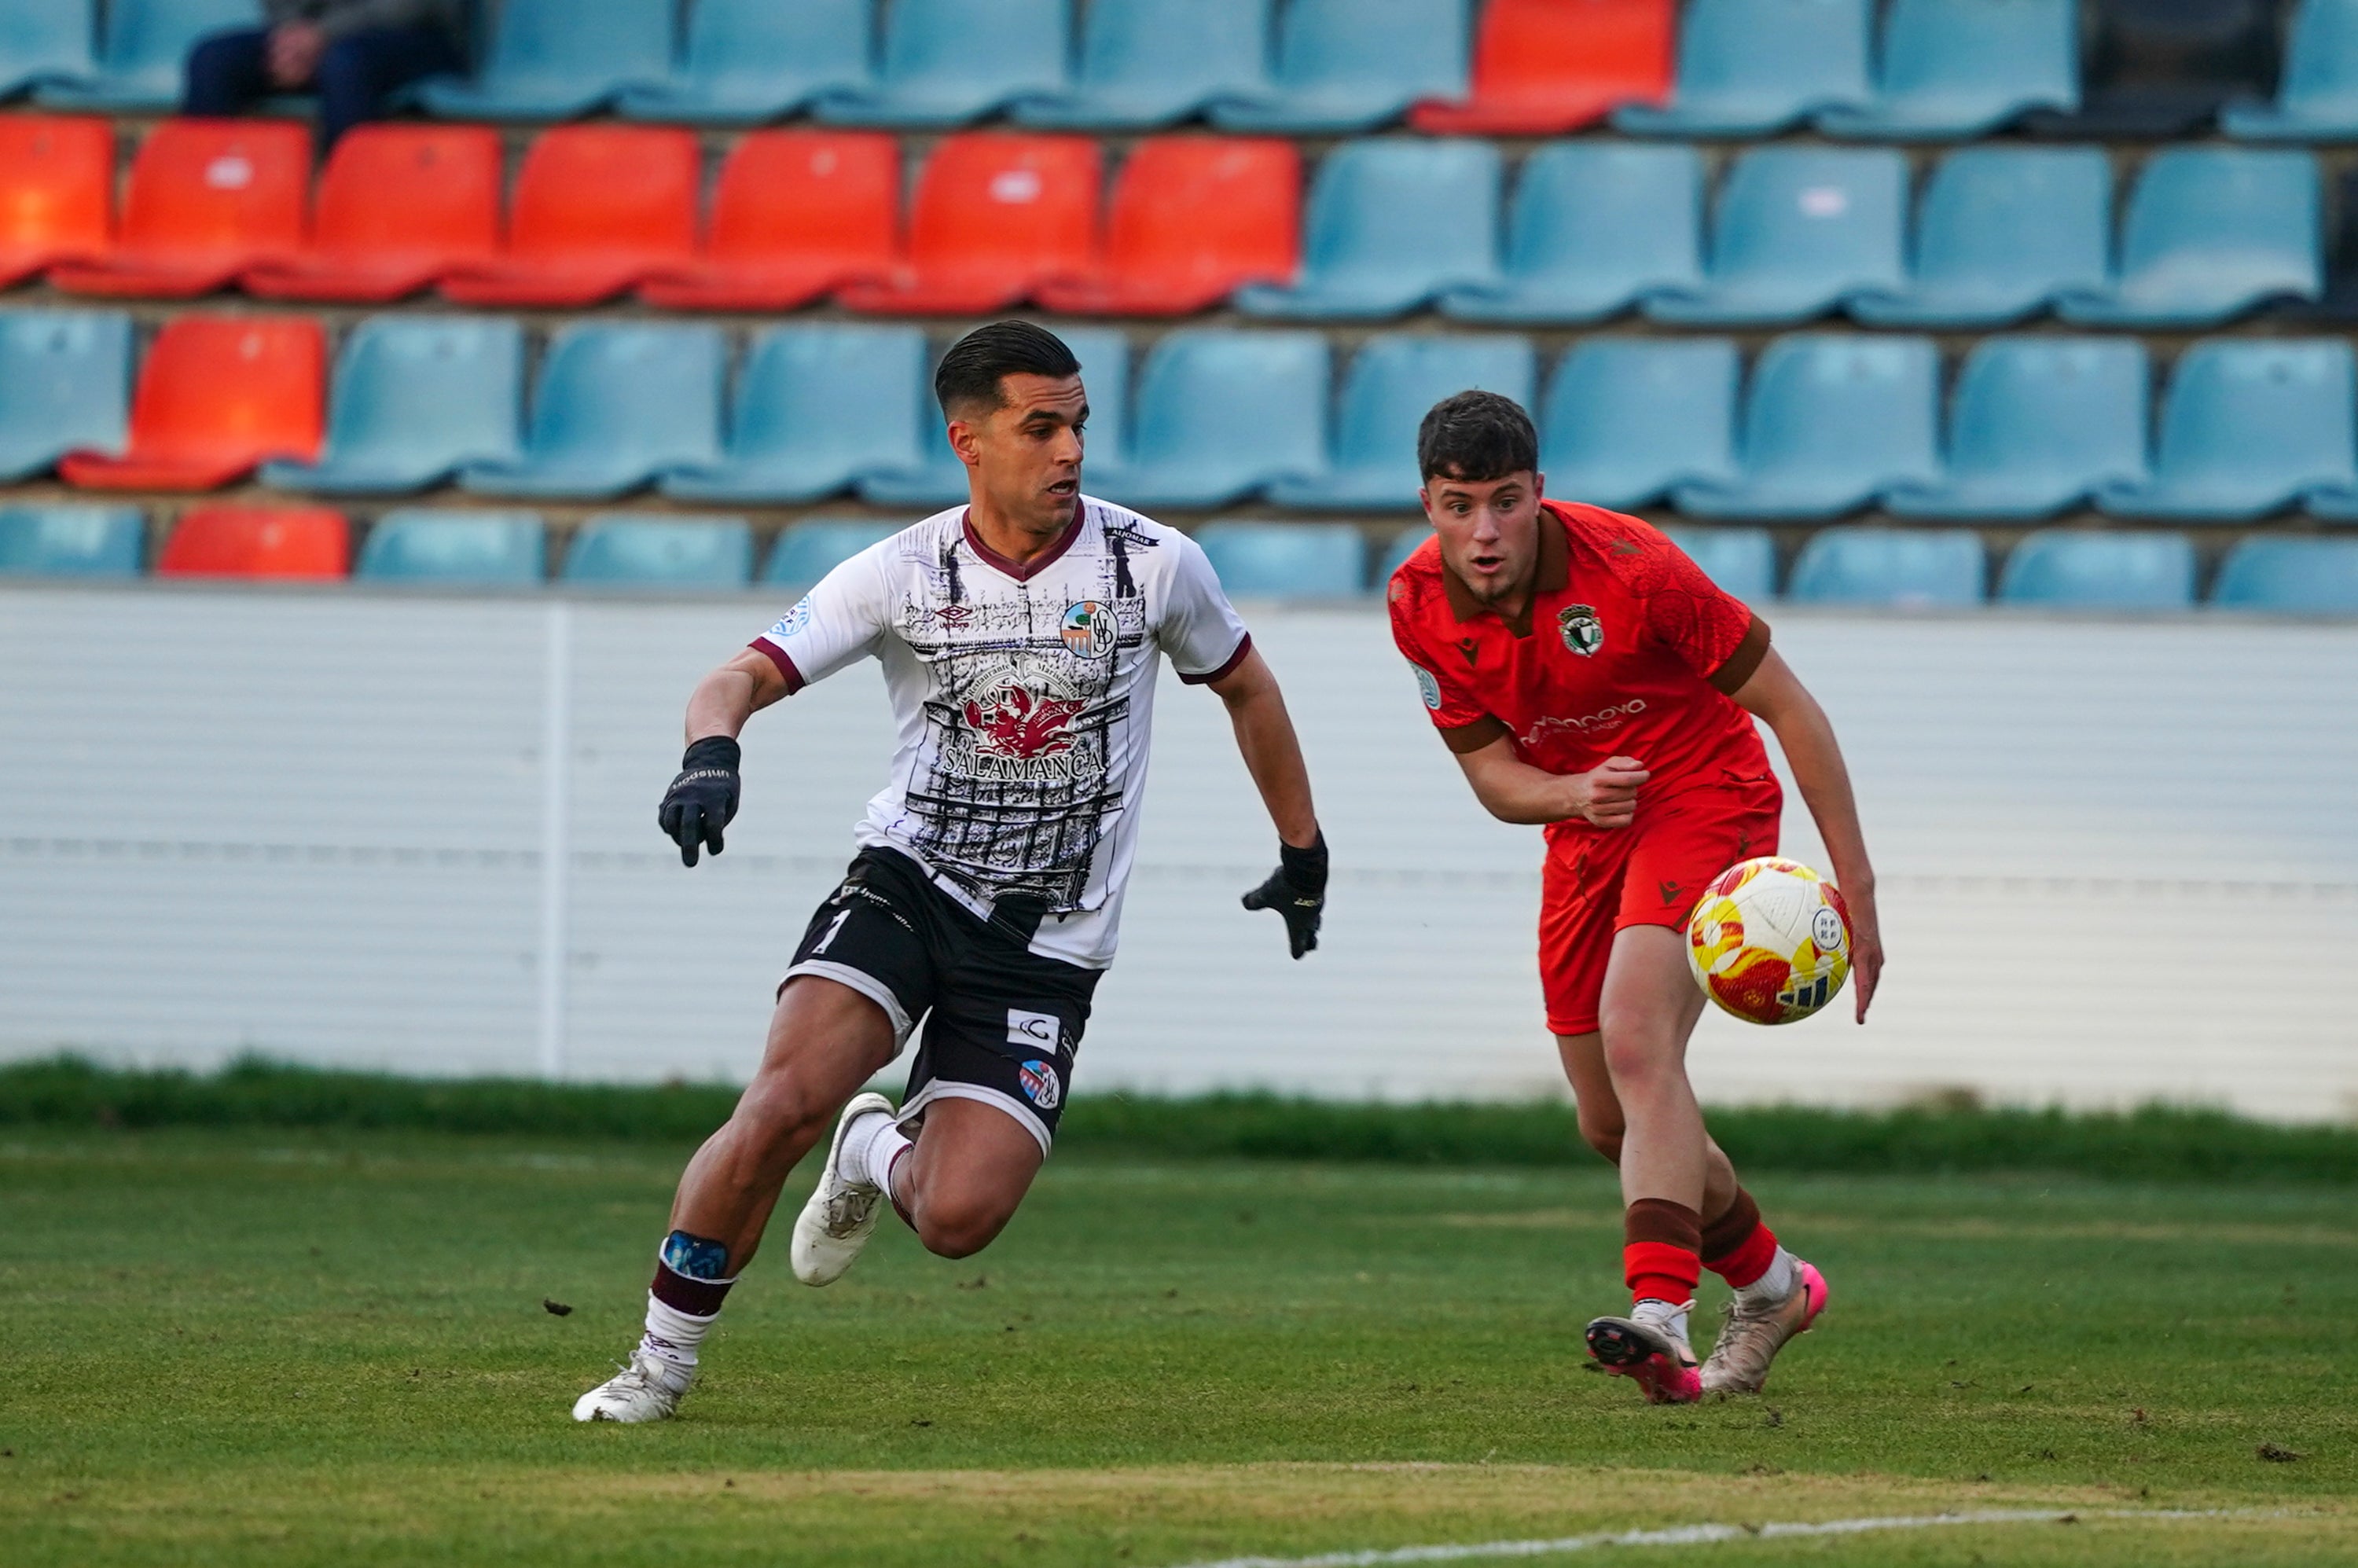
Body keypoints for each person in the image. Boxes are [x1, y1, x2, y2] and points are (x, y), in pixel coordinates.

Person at [574, 321, 1329, 1423]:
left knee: (958, 1216)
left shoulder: (1155, 564)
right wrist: (710, 753)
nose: (1070, 448)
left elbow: (1249, 689)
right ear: (968, 441)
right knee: (781, 1099)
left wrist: (1302, 848)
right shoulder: (903, 570)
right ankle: (660, 1362)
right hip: (909, 882)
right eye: (1041, 426)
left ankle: (873, 1144)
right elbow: (737, 674)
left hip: (1050, 940)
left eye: (1078, 422)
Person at [1387, 391, 1884, 1405]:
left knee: (1636, 1038)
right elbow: (1493, 779)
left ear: (1540, 493)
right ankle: (1774, 1284)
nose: (1483, 532)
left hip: (1705, 791)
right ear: (1428, 503)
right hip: (1587, 827)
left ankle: (1659, 1312)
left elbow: (1791, 708)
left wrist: (1859, 893)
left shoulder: (1637, 567)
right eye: (1457, 505)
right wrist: (1570, 793)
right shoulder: (1415, 606)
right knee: (1610, 1124)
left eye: (1506, 502)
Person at [183, 2, 464, 148]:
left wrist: (322, 34)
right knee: (213, 60)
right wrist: (292, 39)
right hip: (317, 40)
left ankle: (347, 199)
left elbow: (409, 8)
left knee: (346, 65)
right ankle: (202, 193)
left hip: (417, 36)